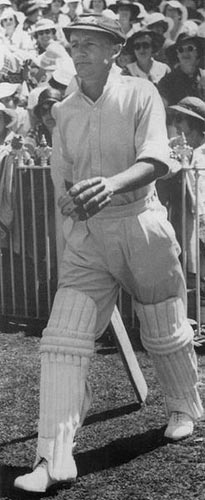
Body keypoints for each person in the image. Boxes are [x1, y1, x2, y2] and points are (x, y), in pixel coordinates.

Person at [14, 13, 203, 494]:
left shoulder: (142, 94)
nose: (79, 50)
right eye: (74, 42)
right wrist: (68, 199)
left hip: (142, 225)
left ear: (114, 50)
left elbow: (158, 159)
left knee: (165, 332)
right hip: (89, 238)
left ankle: (184, 408)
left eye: (91, 43)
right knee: (62, 340)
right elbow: (65, 178)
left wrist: (113, 185)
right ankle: (52, 458)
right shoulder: (65, 110)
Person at [157, 96, 205, 288]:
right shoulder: (175, 145)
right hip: (183, 218)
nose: (175, 125)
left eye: (180, 119)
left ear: (194, 123)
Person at [157, 30, 205, 106]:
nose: (185, 53)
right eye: (181, 50)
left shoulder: (203, 77)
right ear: (177, 55)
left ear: (198, 52)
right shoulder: (166, 82)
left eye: (190, 48)